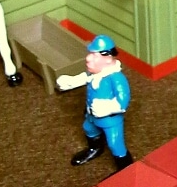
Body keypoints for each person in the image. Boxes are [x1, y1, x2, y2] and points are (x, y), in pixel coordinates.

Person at [56, 34, 133, 172]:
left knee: (115, 143)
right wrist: (70, 82)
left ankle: (126, 168)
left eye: (94, 55)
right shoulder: (95, 73)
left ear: (108, 58)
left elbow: (123, 102)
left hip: (110, 120)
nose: (88, 58)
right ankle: (95, 149)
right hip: (91, 115)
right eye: (90, 53)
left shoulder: (116, 78)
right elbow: (85, 78)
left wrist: (106, 108)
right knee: (88, 129)